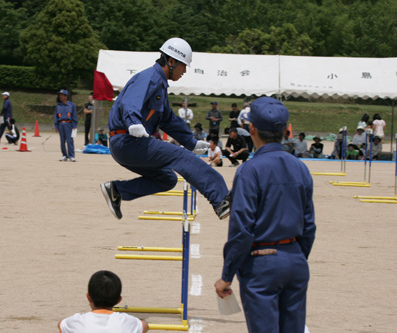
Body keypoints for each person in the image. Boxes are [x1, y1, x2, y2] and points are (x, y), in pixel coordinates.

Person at [214, 96, 316, 333]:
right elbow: (309, 225)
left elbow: (242, 229)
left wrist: (227, 274)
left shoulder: (249, 170)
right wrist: (297, 256)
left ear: (252, 129)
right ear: (284, 130)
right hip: (295, 259)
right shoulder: (300, 167)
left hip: (262, 262)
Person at [100, 37, 230, 220]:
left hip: (127, 145)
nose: (184, 71)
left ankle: (117, 190)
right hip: (127, 141)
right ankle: (221, 199)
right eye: (183, 66)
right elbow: (130, 101)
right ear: (171, 61)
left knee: (166, 178)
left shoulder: (159, 85)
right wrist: (133, 122)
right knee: (181, 156)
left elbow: (168, 120)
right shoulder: (149, 77)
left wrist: (191, 142)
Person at [58, 270, 149, 333]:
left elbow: (61, 324)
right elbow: (144, 326)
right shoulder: (128, 321)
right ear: (119, 300)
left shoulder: (76, 321)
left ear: (88, 297)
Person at [54, 89, 78, 162]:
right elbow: (56, 116)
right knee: (62, 140)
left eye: (62, 95)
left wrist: (74, 125)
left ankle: (71, 155)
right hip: (61, 124)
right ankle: (64, 155)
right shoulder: (58, 106)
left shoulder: (71, 105)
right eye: (60, 95)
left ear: (66, 96)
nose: (60, 97)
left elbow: (74, 116)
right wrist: (56, 126)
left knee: (69, 140)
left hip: (69, 124)